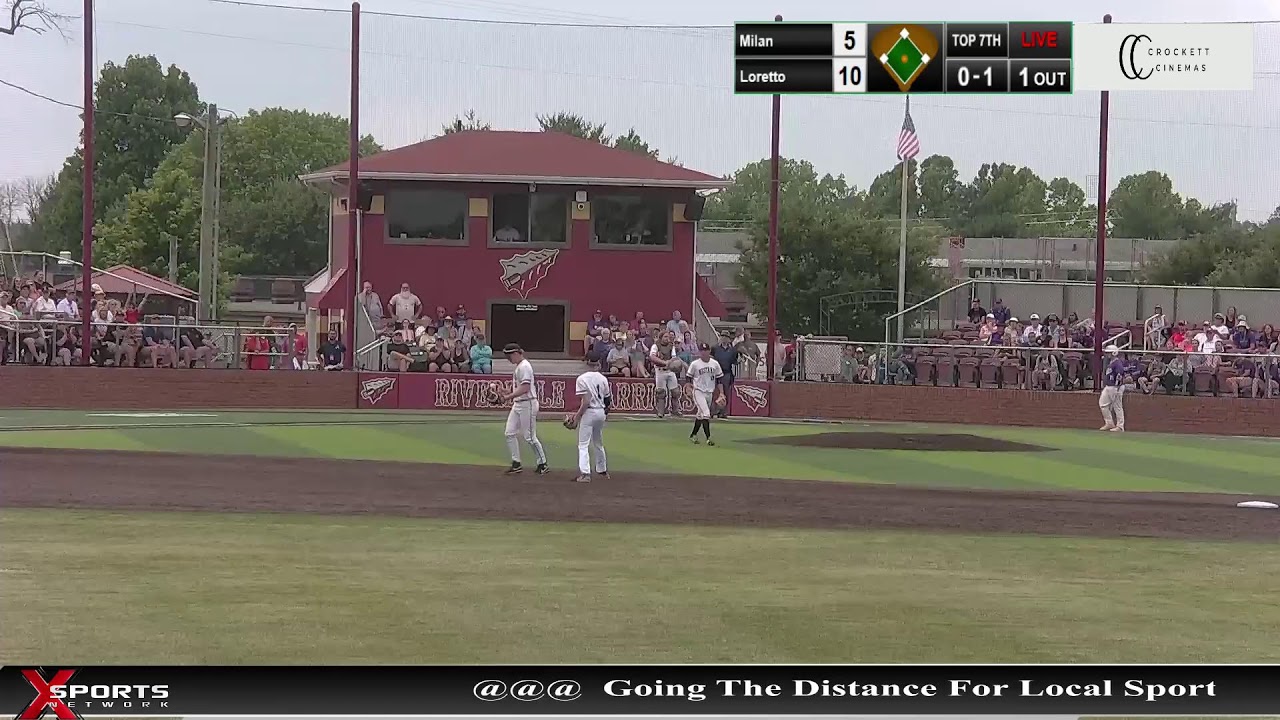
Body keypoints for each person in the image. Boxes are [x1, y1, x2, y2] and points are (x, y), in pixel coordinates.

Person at [497, 343, 548, 475]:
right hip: (519, 403)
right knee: (509, 433)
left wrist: (508, 396)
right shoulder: (519, 367)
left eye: (509, 356)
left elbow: (525, 388)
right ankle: (516, 463)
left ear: (515, 354)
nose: (508, 359)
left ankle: (542, 463)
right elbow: (520, 388)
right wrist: (506, 391)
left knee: (530, 437)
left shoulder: (525, 366)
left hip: (528, 404)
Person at [569, 369, 612, 483]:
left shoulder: (582, 378)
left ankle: (585, 473)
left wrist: (577, 417)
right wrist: (604, 413)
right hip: (600, 411)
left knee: (583, 444)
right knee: (598, 442)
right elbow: (608, 400)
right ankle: (602, 470)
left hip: (590, 412)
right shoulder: (603, 378)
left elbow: (586, 401)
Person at [684, 343, 725, 446]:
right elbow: (688, 377)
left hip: (709, 392)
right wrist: (689, 388)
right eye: (702, 350)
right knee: (706, 413)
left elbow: (719, 379)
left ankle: (693, 435)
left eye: (706, 350)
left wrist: (721, 393)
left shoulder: (715, 364)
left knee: (700, 415)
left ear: (709, 351)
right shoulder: (695, 364)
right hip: (698, 391)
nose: (704, 352)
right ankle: (708, 438)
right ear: (699, 352)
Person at [1099, 344, 1133, 432]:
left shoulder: (1117, 363)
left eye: (1109, 353)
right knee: (1103, 404)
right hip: (1109, 386)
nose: (1107, 355)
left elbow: (1120, 375)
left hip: (1115, 387)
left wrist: (1117, 386)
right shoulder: (1111, 362)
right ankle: (1109, 423)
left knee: (1117, 406)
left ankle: (1120, 426)